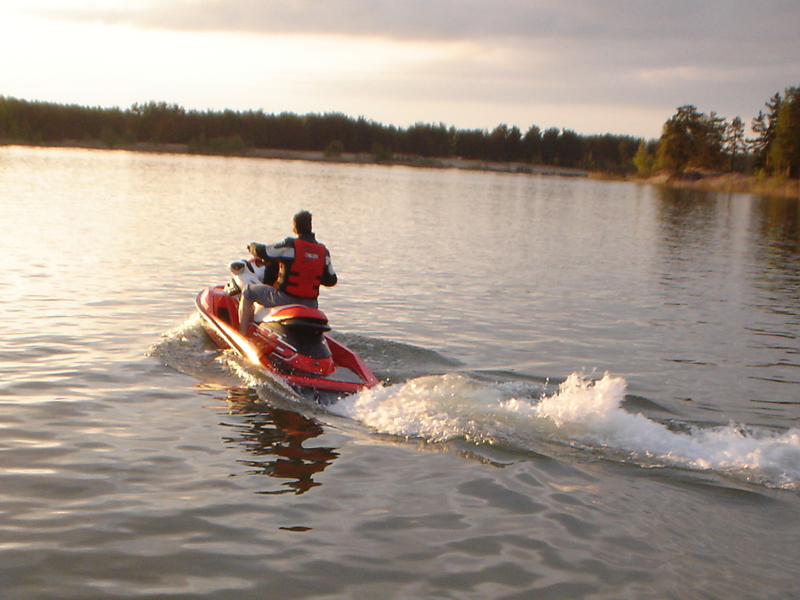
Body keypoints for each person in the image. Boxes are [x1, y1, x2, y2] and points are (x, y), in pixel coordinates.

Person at [238, 210, 337, 335]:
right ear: (310, 227)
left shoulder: (290, 246)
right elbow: (331, 280)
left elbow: (264, 251)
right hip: (311, 303)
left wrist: (252, 246)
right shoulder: (324, 252)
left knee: (248, 292)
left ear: (295, 228)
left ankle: (243, 334)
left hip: (284, 298)